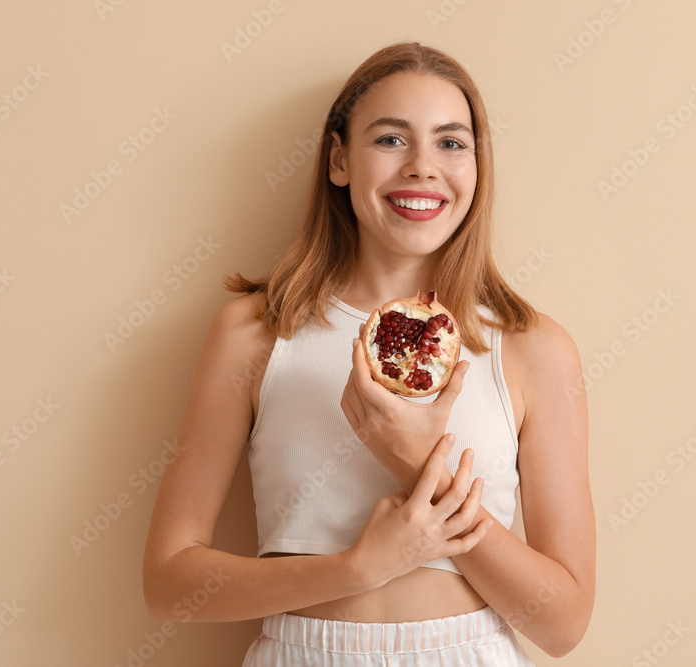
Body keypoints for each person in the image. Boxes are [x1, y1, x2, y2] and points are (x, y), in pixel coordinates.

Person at [142, 41, 595, 665]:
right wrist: (357, 569)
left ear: (477, 168)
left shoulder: (532, 349)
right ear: (338, 160)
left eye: (451, 142)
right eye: (390, 139)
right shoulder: (254, 333)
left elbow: (564, 625)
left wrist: (413, 462)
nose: (422, 167)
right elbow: (169, 585)